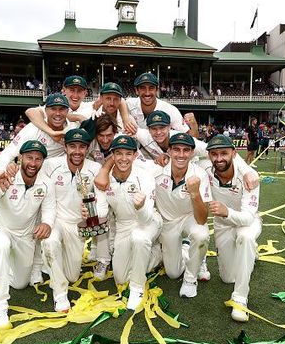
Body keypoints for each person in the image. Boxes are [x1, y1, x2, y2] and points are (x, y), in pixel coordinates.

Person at [0, 140, 55, 328]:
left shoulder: (46, 184)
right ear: (20, 158)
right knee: (0, 246)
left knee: (20, 284)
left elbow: (49, 210)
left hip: (25, 237)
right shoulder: (7, 179)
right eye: (29, 158)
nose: (33, 163)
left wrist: (47, 223)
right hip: (1, 229)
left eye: (38, 159)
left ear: (43, 161)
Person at [37, 128, 106, 312]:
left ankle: (52, 265)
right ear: (65, 147)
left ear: (87, 148)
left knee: (73, 276)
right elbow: (35, 181)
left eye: (82, 147)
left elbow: (99, 201)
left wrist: (92, 213)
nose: (77, 151)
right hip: (56, 220)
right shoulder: (50, 165)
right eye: (72, 146)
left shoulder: (95, 168)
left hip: (76, 226)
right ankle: (60, 295)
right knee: (50, 242)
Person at [93, 135, 162, 310]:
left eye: (128, 154)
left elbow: (146, 218)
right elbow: (101, 213)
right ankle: (157, 255)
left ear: (135, 155)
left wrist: (140, 207)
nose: (123, 158)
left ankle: (137, 288)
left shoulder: (144, 177)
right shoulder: (104, 179)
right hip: (123, 225)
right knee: (121, 277)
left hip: (148, 221)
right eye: (119, 153)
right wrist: (89, 212)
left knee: (139, 238)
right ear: (112, 156)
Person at [204, 135, 261, 322]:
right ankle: (250, 254)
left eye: (224, 153)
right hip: (223, 226)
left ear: (234, 154)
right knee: (228, 278)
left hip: (247, 222)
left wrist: (226, 211)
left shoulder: (250, 177)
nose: (219, 158)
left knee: (245, 237)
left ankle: (240, 299)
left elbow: (246, 217)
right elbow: (192, 147)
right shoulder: (206, 169)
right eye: (214, 154)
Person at [154, 133, 211, 298]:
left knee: (201, 235)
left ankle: (191, 279)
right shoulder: (157, 170)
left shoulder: (200, 174)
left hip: (190, 217)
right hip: (168, 222)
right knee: (172, 273)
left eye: (186, 150)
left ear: (192, 153)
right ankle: (191, 252)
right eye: (176, 150)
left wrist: (195, 194)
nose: (181, 154)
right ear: (169, 151)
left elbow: (202, 219)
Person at [0, 93, 73, 171]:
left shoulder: (73, 128)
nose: (57, 113)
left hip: (60, 175)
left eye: (62, 109)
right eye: (53, 109)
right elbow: (8, 152)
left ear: (67, 111)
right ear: (46, 110)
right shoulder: (33, 129)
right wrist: (0, 171)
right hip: (35, 174)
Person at [126, 72, 199, 138]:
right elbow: (121, 102)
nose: (147, 93)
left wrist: (194, 126)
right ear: (136, 90)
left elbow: (192, 138)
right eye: (143, 88)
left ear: (157, 90)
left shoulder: (170, 110)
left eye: (151, 88)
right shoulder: (130, 103)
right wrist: (124, 117)